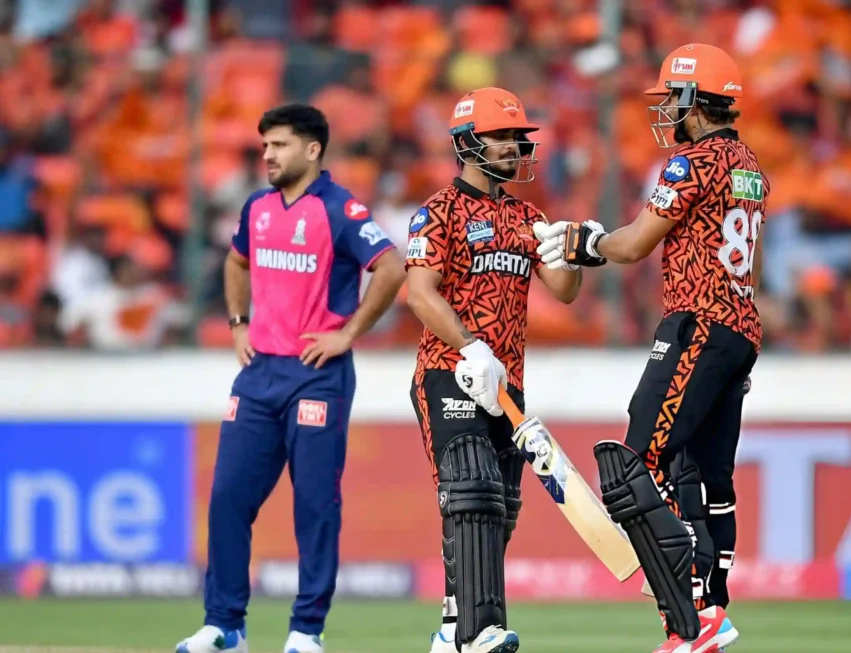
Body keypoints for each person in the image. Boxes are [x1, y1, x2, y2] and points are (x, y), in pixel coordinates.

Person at [535, 44, 768, 653]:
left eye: (673, 99)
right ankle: (710, 610)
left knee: (637, 464)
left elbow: (636, 243)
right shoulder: (749, 165)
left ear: (696, 100)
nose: (667, 110)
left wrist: (589, 242)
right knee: (705, 478)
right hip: (739, 327)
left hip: (699, 322)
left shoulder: (690, 163)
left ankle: (687, 605)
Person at [176, 104, 405, 653]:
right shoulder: (257, 208)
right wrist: (238, 324)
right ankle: (225, 626)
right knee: (228, 498)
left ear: (312, 149)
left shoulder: (340, 209)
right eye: (265, 147)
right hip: (258, 376)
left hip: (316, 376)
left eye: (279, 145)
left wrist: (348, 333)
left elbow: (391, 267)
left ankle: (306, 630)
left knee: (314, 506)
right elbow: (236, 262)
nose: (268, 156)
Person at [405, 87, 594, 653]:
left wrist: (565, 251)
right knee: (473, 488)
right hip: (450, 371)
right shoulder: (438, 212)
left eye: (518, 137)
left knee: (499, 511)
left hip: (507, 385)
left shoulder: (527, 216)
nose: (514, 146)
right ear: (468, 143)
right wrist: (470, 346)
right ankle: (479, 630)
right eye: (502, 136)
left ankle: (451, 627)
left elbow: (564, 292)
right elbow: (420, 293)